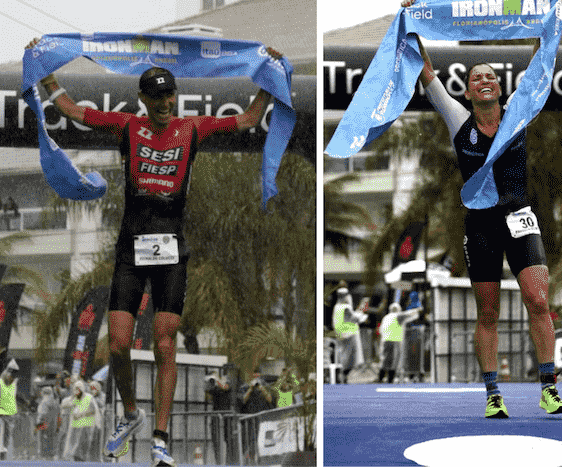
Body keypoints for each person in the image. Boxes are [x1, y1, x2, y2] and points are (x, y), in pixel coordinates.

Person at [25, 37, 284, 467]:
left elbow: (252, 117)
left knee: (165, 343)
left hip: (171, 249)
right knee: (120, 346)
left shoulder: (192, 128)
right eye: (158, 96)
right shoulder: (128, 126)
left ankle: (161, 440)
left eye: (171, 95)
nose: (166, 103)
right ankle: (130, 415)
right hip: (130, 248)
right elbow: (70, 110)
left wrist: (270, 75)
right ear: (143, 99)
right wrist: (43, 68)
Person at [401, 0, 562, 418]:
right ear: (469, 91)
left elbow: (543, 58)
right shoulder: (458, 119)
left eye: (490, 75)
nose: (485, 80)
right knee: (488, 311)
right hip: (480, 226)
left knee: (538, 301)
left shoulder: (518, 111)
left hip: (520, 219)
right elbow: (424, 72)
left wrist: (549, 12)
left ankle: (549, 387)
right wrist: (411, 19)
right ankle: (494, 393)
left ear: (499, 86)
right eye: (477, 78)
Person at [332, 282, 368, 384]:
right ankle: (342, 375)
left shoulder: (337, 307)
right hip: (349, 335)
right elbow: (355, 318)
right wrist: (362, 310)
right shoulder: (345, 307)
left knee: (345, 357)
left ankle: (343, 376)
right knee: (351, 359)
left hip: (341, 335)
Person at [378, 303, 422, 383]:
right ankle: (390, 380)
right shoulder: (397, 316)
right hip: (394, 341)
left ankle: (380, 378)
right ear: (398, 310)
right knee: (394, 361)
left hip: (385, 340)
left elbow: (381, 329)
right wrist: (418, 310)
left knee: (384, 360)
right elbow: (409, 314)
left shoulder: (386, 317)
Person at [34, 386, 59, 460]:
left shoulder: (44, 402)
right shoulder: (55, 402)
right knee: (51, 446)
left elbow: (42, 415)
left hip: (44, 426)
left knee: (43, 447)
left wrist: (37, 427)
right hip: (52, 426)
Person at [0, 359, 19, 459]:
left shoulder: (13, 384)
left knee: (6, 439)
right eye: (10, 373)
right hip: (1, 415)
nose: (11, 377)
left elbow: (14, 397)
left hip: (10, 416)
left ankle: (4, 457)